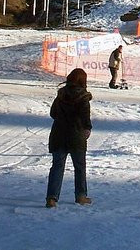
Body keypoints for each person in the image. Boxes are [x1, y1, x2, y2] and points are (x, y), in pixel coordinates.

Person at [46, 68, 93, 207]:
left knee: (57, 166)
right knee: (79, 167)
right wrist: (87, 128)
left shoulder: (60, 95)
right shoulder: (83, 97)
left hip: (58, 134)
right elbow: (85, 118)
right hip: (76, 136)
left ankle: (51, 198)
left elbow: (53, 113)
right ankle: (81, 196)